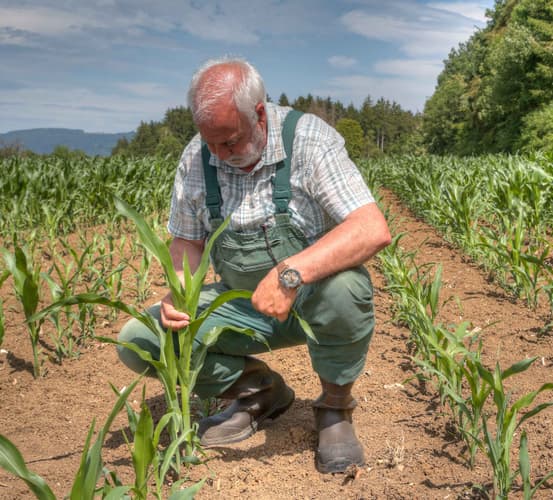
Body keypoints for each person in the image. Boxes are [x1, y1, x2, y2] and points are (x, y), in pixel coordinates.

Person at [116, 56, 392, 474]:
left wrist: (290, 275)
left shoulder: (310, 140)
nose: (219, 154)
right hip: (242, 306)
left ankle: (335, 409)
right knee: (142, 338)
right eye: (210, 142)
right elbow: (187, 241)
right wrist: (178, 289)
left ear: (259, 113)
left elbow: (371, 228)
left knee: (346, 288)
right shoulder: (198, 158)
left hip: (311, 299)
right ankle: (258, 391)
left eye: (229, 142)